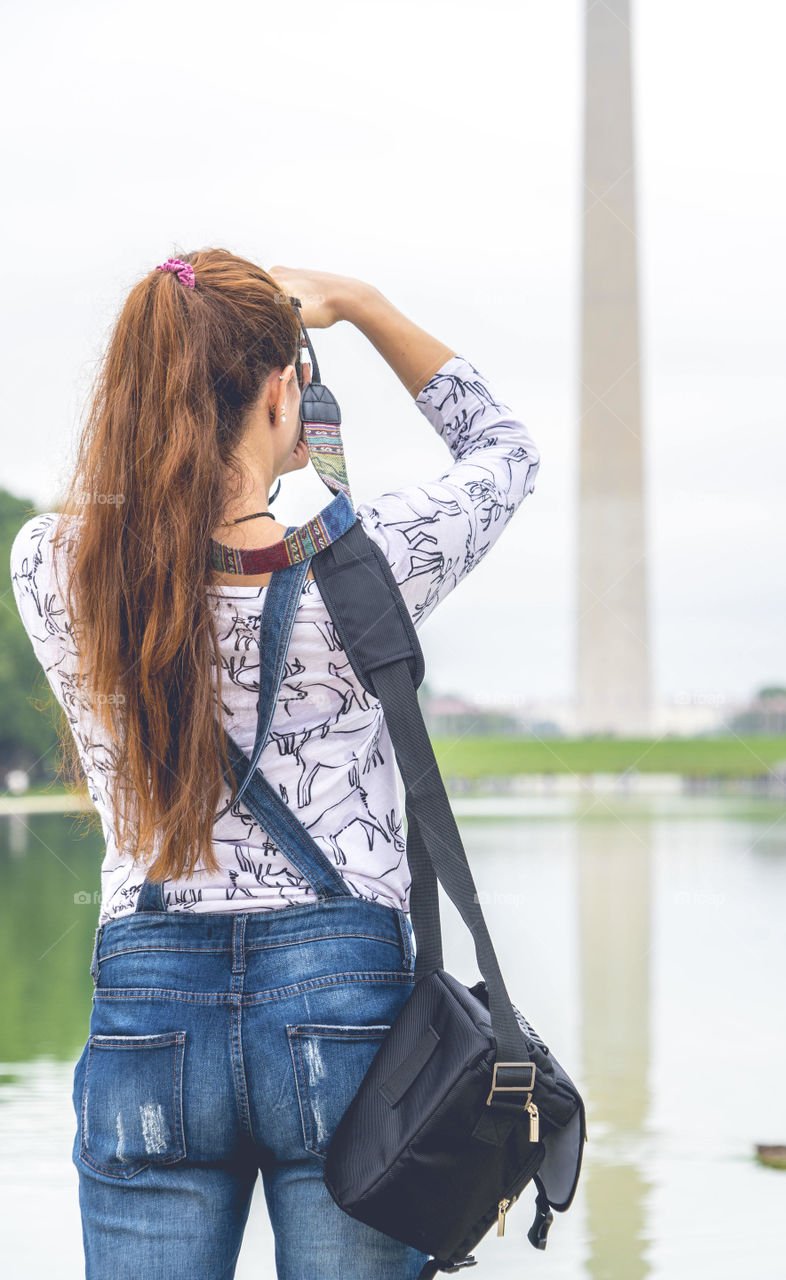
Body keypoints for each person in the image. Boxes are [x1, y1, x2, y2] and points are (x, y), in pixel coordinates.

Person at [9, 248, 540, 1279]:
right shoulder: (370, 554)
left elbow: (148, 522)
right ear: (280, 390)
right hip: (343, 993)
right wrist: (362, 304)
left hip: (150, 991)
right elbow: (504, 449)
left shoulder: (55, 562)